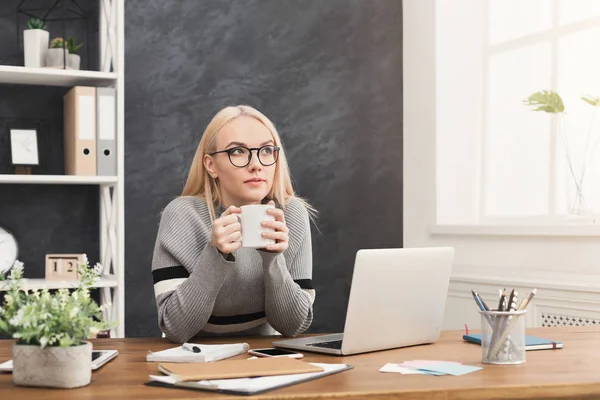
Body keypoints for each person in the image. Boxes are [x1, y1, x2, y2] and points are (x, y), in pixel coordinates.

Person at [151, 105, 316, 343]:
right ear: (211, 165)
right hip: (198, 361)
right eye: (238, 151)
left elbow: (294, 326)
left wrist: (273, 259)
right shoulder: (182, 215)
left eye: (267, 150)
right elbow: (175, 327)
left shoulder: (291, 214)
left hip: (265, 362)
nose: (256, 164)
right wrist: (215, 254)